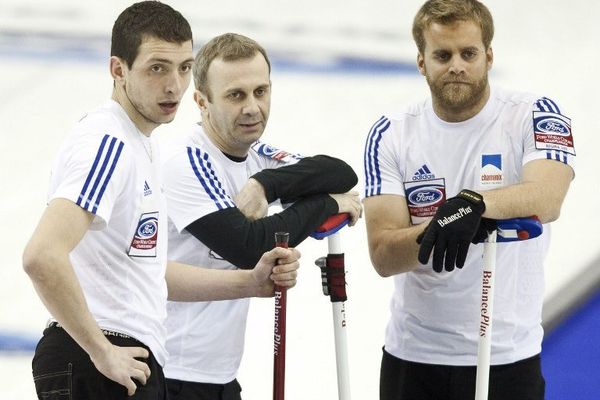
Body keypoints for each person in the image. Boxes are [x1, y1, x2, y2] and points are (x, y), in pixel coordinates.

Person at [22, 4, 300, 400]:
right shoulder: (109, 142)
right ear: (118, 70)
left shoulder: (141, 146)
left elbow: (150, 274)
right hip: (100, 361)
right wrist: (101, 352)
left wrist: (250, 283)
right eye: (157, 68)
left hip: (127, 361)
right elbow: (41, 256)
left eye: (184, 67)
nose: (175, 85)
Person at [362, 0, 575, 399]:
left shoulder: (534, 114)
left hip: (507, 355)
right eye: (442, 55)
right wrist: (439, 226)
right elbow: (383, 254)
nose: (456, 65)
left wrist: (473, 204)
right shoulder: (390, 134)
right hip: (415, 356)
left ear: (489, 56)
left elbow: (549, 198)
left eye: (469, 53)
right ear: (422, 62)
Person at [159, 32, 362, 399]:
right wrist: (327, 205)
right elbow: (249, 247)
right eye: (235, 95)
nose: (252, 107)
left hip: (217, 375)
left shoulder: (258, 156)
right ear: (201, 102)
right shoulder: (186, 161)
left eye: (261, 91)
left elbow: (342, 173)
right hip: (169, 371)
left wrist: (266, 183)